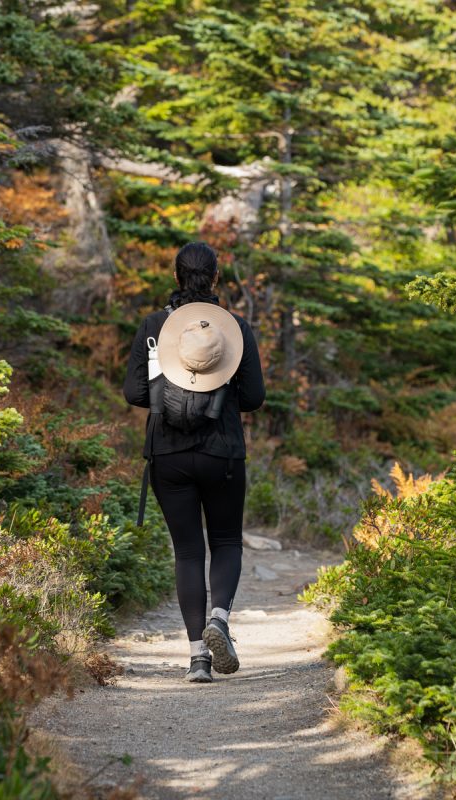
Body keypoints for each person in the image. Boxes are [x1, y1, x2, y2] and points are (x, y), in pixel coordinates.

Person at [123, 241, 265, 683]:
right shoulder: (236, 329)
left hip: (168, 454)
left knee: (188, 551)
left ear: (176, 276)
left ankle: (197, 658)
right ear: (216, 277)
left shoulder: (153, 326)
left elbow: (134, 394)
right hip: (222, 452)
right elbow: (256, 398)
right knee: (225, 543)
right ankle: (219, 618)